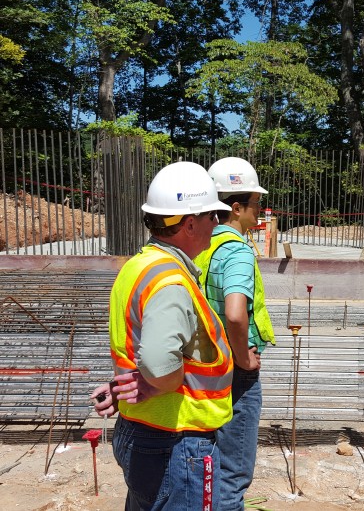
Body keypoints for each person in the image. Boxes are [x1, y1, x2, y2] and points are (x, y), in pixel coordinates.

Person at [91, 161, 234, 511]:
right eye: (212, 216)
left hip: (146, 431)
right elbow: (156, 360)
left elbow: (137, 341)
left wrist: (131, 381)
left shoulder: (140, 264)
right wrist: (160, 382)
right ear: (189, 223)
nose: (217, 224)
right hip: (174, 442)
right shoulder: (171, 280)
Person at [194, 156, 276, 511]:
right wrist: (244, 358)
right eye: (255, 204)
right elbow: (236, 314)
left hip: (203, 365)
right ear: (237, 207)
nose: (259, 211)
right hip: (234, 371)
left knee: (203, 461)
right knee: (232, 471)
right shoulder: (237, 251)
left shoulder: (198, 245)